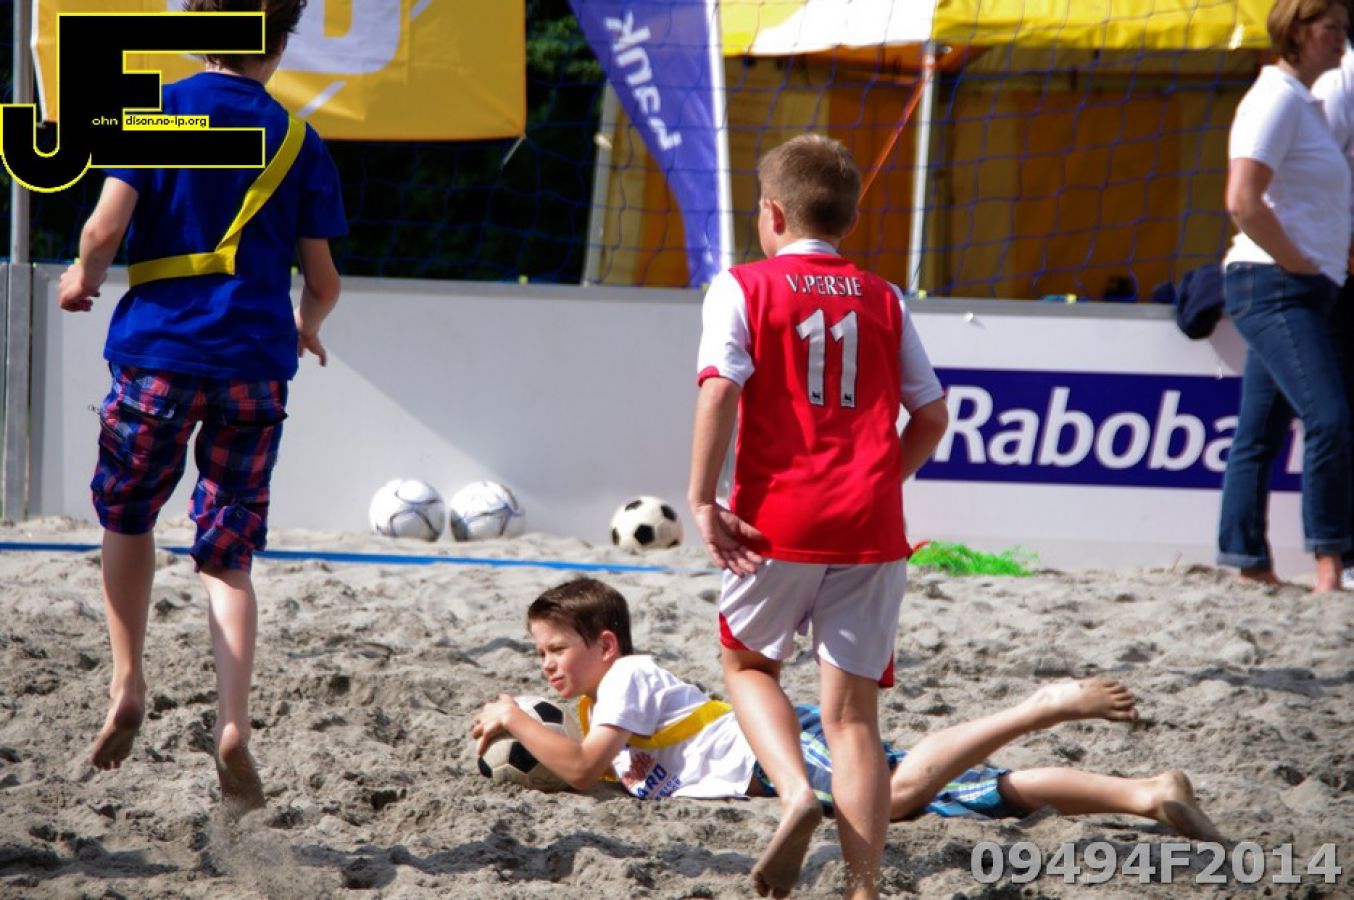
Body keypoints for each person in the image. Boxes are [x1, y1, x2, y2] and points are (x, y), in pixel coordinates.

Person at [470, 578, 1227, 892]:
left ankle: (1040, 706)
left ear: (605, 645)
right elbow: (590, 768)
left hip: (778, 751)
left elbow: (581, 769)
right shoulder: (596, 708)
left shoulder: (628, 677)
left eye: (556, 650)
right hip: (768, 776)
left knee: (897, 794)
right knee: (980, 800)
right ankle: (1145, 794)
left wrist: (512, 715)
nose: (547, 665)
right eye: (540, 655)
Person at [56, 0, 345, 816]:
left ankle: (127, 680)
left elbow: (103, 231)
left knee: (128, 515)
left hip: (157, 354)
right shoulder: (299, 140)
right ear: (278, 45)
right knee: (228, 547)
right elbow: (323, 281)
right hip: (254, 365)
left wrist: (81, 279)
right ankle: (233, 724)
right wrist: (306, 326)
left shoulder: (158, 115)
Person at [685, 133, 950, 898]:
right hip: (871, 528)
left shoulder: (742, 285)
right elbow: (933, 417)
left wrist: (701, 498)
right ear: (849, 221)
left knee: (747, 665)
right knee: (855, 719)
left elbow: (720, 388)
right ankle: (864, 888)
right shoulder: (885, 296)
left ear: (771, 213)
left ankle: (797, 792)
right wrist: (878, 483)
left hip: (777, 520)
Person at [1220, 0, 1352, 592]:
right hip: (1275, 284)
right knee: (1330, 419)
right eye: (1332, 28)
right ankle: (1331, 563)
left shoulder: (1307, 102)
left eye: (1346, 29)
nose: (1342, 39)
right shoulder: (1274, 97)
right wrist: (1299, 263)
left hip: (1299, 284)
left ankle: (1247, 559)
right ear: (1298, 31)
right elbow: (1242, 199)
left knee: (1260, 432)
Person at [1312, 31, 1354, 589]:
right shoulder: (1337, 85)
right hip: (1330, 270)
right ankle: (1335, 556)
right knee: (1334, 415)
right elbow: (1318, 184)